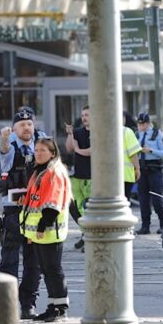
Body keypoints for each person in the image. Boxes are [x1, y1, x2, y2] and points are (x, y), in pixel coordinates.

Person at [20, 137, 72, 322]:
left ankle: (60, 308)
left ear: (52, 152)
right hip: (40, 232)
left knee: (53, 270)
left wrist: (42, 226)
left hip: (49, 230)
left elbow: (52, 203)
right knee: (47, 270)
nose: (38, 153)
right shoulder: (40, 170)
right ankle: (53, 305)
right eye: (37, 150)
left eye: (43, 150)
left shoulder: (54, 172)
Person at [0, 109, 42, 320]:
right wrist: (4, 139)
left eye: (29, 124)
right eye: (22, 124)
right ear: (14, 128)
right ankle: (6, 304)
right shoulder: (11, 145)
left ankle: (28, 304)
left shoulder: (41, 145)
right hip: (14, 211)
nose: (27, 127)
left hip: (35, 210)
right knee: (9, 260)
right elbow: (4, 151)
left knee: (34, 261)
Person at [135, 112, 163, 235]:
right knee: (143, 200)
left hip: (154, 169)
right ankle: (145, 226)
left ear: (148, 123)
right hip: (142, 170)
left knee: (157, 199)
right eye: (139, 124)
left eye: (143, 124)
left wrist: (151, 150)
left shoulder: (156, 134)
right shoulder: (137, 134)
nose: (141, 126)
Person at [65, 106, 91, 250]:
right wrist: (70, 134)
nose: (84, 117)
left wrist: (78, 149)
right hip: (77, 176)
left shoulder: (98, 131)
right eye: (82, 115)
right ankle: (85, 232)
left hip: (92, 177)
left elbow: (93, 151)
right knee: (74, 207)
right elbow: (69, 148)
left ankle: (89, 236)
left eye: (87, 114)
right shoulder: (78, 132)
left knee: (89, 208)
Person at [123, 118, 142, 200]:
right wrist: (137, 169)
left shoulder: (105, 131)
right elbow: (133, 153)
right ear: (123, 119)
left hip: (109, 175)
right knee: (124, 201)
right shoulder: (126, 131)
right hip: (125, 175)